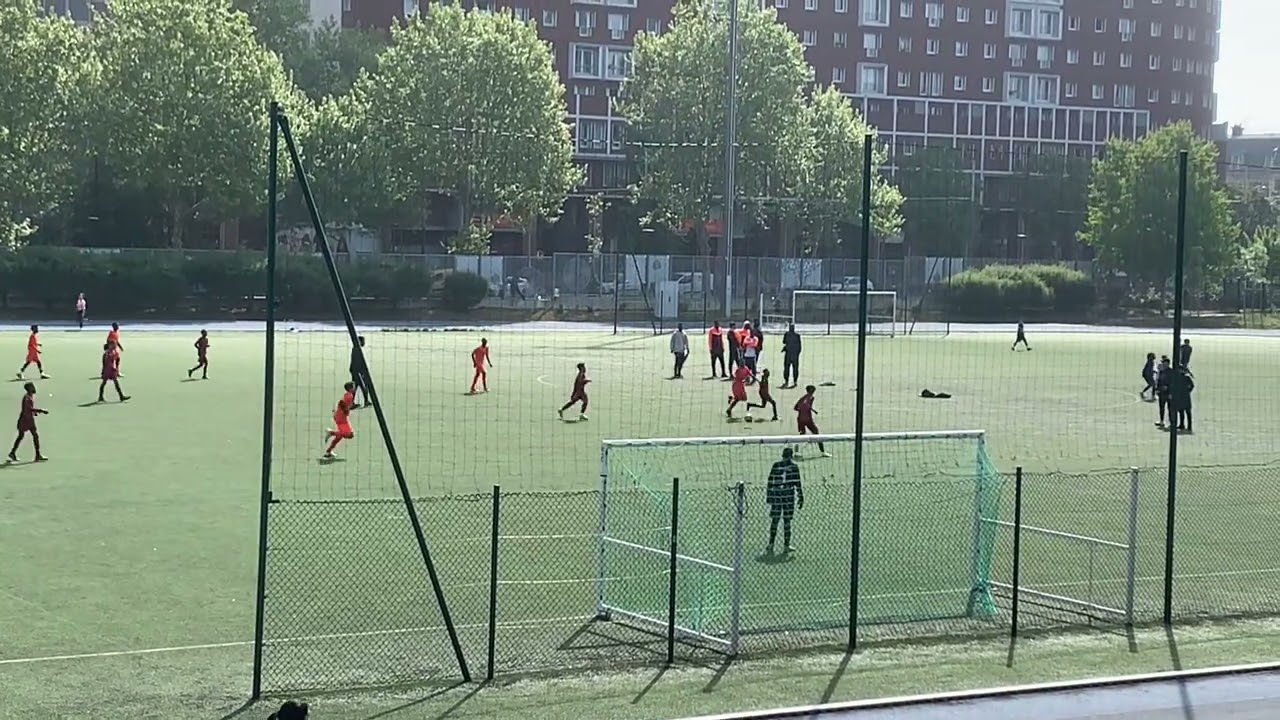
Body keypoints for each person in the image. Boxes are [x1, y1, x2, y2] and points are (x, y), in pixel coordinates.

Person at [765, 447, 804, 555]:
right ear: (791, 456)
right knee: (787, 521)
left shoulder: (776, 465)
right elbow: (797, 482)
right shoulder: (794, 467)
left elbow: (770, 481)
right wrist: (800, 496)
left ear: (782, 455)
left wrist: (769, 495)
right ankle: (786, 545)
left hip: (777, 494)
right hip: (788, 495)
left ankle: (771, 544)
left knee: (775, 520)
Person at [9, 381, 48, 463]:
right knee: (31, 436)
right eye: (32, 387)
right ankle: (37, 455)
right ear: (29, 389)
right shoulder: (27, 398)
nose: (34, 388)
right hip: (26, 420)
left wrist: (35, 412)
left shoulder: (29, 396)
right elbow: (28, 409)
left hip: (27, 419)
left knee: (24, 436)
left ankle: (13, 453)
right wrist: (40, 410)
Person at [322, 382, 357, 459]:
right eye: (354, 387)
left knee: (339, 436)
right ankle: (331, 432)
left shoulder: (346, 395)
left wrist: (336, 412)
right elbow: (344, 405)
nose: (355, 388)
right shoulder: (349, 396)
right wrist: (347, 411)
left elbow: (341, 403)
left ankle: (328, 452)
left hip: (339, 416)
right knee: (350, 434)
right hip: (342, 417)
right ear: (350, 388)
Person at [794, 385, 829, 457]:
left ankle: (822, 452)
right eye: (812, 391)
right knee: (808, 434)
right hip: (804, 420)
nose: (813, 392)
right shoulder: (805, 398)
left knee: (810, 433)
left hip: (804, 419)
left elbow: (798, 407)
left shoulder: (809, 398)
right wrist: (803, 409)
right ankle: (822, 452)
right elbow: (796, 407)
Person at [1170, 365, 1195, 433]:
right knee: (1181, 411)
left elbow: (1192, 386)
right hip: (1181, 397)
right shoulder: (1177, 378)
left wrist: (1188, 391)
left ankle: (1189, 426)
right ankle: (1182, 424)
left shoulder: (1186, 378)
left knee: (1187, 412)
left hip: (1185, 397)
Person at [781, 324, 802, 388]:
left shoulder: (786, 334)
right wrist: (797, 354)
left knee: (786, 368)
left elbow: (784, 342)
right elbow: (800, 347)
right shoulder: (797, 336)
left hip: (788, 354)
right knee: (795, 368)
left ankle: (786, 381)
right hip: (795, 355)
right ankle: (795, 381)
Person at [349, 336, 368, 407]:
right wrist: (362, 372)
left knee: (359, 387)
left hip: (356, 371)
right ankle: (365, 401)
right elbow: (358, 362)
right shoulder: (357, 350)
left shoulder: (355, 349)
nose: (364, 343)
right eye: (362, 341)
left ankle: (365, 401)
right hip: (358, 372)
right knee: (362, 386)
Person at [1154, 356, 1172, 428]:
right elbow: (1158, 381)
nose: (1163, 364)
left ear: (1168, 364)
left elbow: (1173, 383)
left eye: (1165, 363)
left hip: (1168, 393)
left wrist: (1170, 391)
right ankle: (1161, 421)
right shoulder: (1161, 371)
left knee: (1170, 409)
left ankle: (1171, 422)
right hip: (1161, 393)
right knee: (1161, 408)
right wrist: (1157, 389)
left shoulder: (1171, 372)